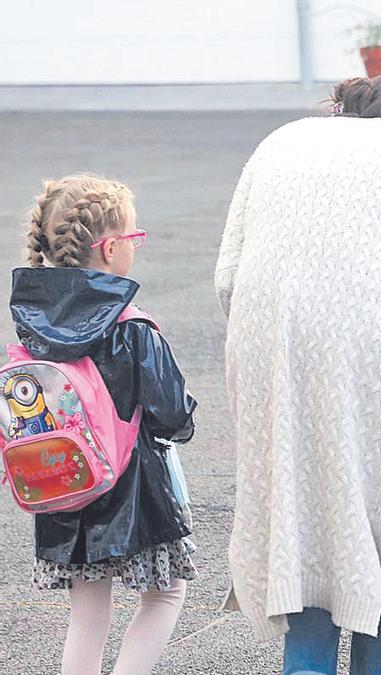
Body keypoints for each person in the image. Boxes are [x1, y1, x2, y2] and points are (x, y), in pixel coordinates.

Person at [214, 71, 381, 674]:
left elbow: (227, 276)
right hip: (369, 343)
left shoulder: (283, 138)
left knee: (297, 504)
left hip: (265, 338)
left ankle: (305, 663)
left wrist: (278, 330)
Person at [12, 174, 198, 675]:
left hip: (63, 484)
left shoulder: (32, 327)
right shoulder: (133, 326)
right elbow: (172, 416)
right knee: (164, 596)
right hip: (135, 489)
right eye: (134, 238)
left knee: (87, 615)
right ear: (111, 248)